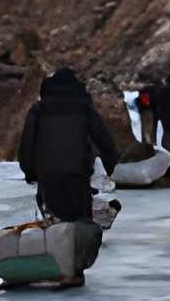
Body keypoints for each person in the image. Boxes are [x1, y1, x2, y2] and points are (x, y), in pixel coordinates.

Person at [17, 67, 120, 224]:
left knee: (52, 212)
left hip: (47, 178)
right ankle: (82, 232)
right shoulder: (84, 109)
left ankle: (54, 227)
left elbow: (26, 144)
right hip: (77, 176)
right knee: (80, 215)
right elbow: (104, 141)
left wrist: (30, 172)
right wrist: (114, 169)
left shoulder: (38, 110)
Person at [135, 78, 160, 149]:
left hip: (144, 110)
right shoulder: (158, 89)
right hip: (154, 111)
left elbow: (137, 100)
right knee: (152, 129)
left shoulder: (144, 89)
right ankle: (153, 146)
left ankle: (146, 146)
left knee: (145, 129)